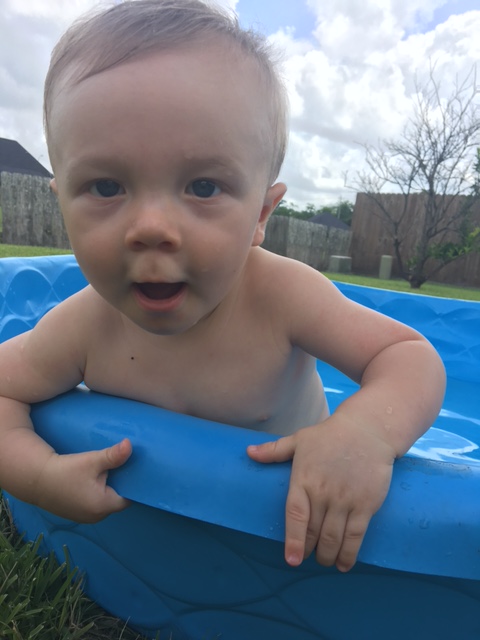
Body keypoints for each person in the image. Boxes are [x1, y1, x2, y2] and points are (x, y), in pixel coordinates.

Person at [0, 0, 445, 573]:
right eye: (106, 186)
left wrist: (364, 433)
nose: (152, 228)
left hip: (285, 541)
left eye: (204, 187)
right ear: (62, 202)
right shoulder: (84, 325)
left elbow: (408, 356)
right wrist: (35, 474)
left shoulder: (282, 297)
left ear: (261, 214)